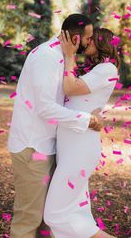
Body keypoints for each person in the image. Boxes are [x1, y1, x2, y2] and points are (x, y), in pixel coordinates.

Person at [8, 14, 103, 238]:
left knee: (47, 219)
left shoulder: (62, 56)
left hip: (47, 146)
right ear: (76, 38)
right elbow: (45, 108)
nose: (91, 42)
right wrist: (85, 120)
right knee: (29, 217)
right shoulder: (47, 57)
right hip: (32, 147)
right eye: (88, 38)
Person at [44, 27, 120, 238]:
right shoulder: (97, 71)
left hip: (80, 147)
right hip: (71, 146)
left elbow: (70, 88)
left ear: (102, 43)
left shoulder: (107, 69)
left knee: (55, 215)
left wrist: (69, 55)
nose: (86, 42)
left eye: (91, 39)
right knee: (75, 213)